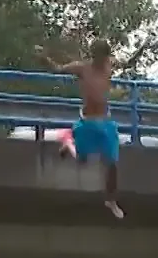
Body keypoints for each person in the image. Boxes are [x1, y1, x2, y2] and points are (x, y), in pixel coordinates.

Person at [37, 38, 123, 219]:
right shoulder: (82, 68)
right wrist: (46, 60)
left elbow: (124, 62)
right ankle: (68, 143)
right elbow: (59, 69)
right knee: (82, 160)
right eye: (100, 58)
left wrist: (141, 50)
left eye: (105, 58)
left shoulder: (109, 66)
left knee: (112, 162)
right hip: (88, 121)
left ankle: (111, 200)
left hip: (106, 122)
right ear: (94, 56)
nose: (103, 62)